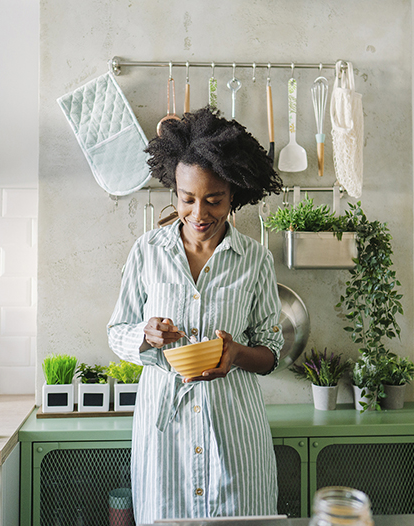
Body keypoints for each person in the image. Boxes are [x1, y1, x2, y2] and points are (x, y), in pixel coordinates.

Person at [107, 106, 285, 523]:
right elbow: (117, 331)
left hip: (234, 434)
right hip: (165, 436)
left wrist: (237, 353)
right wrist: (145, 334)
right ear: (175, 193)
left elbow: (272, 351)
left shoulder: (254, 260)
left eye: (214, 200)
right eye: (188, 200)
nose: (200, 214)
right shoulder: (148, 252)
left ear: (234, 194)